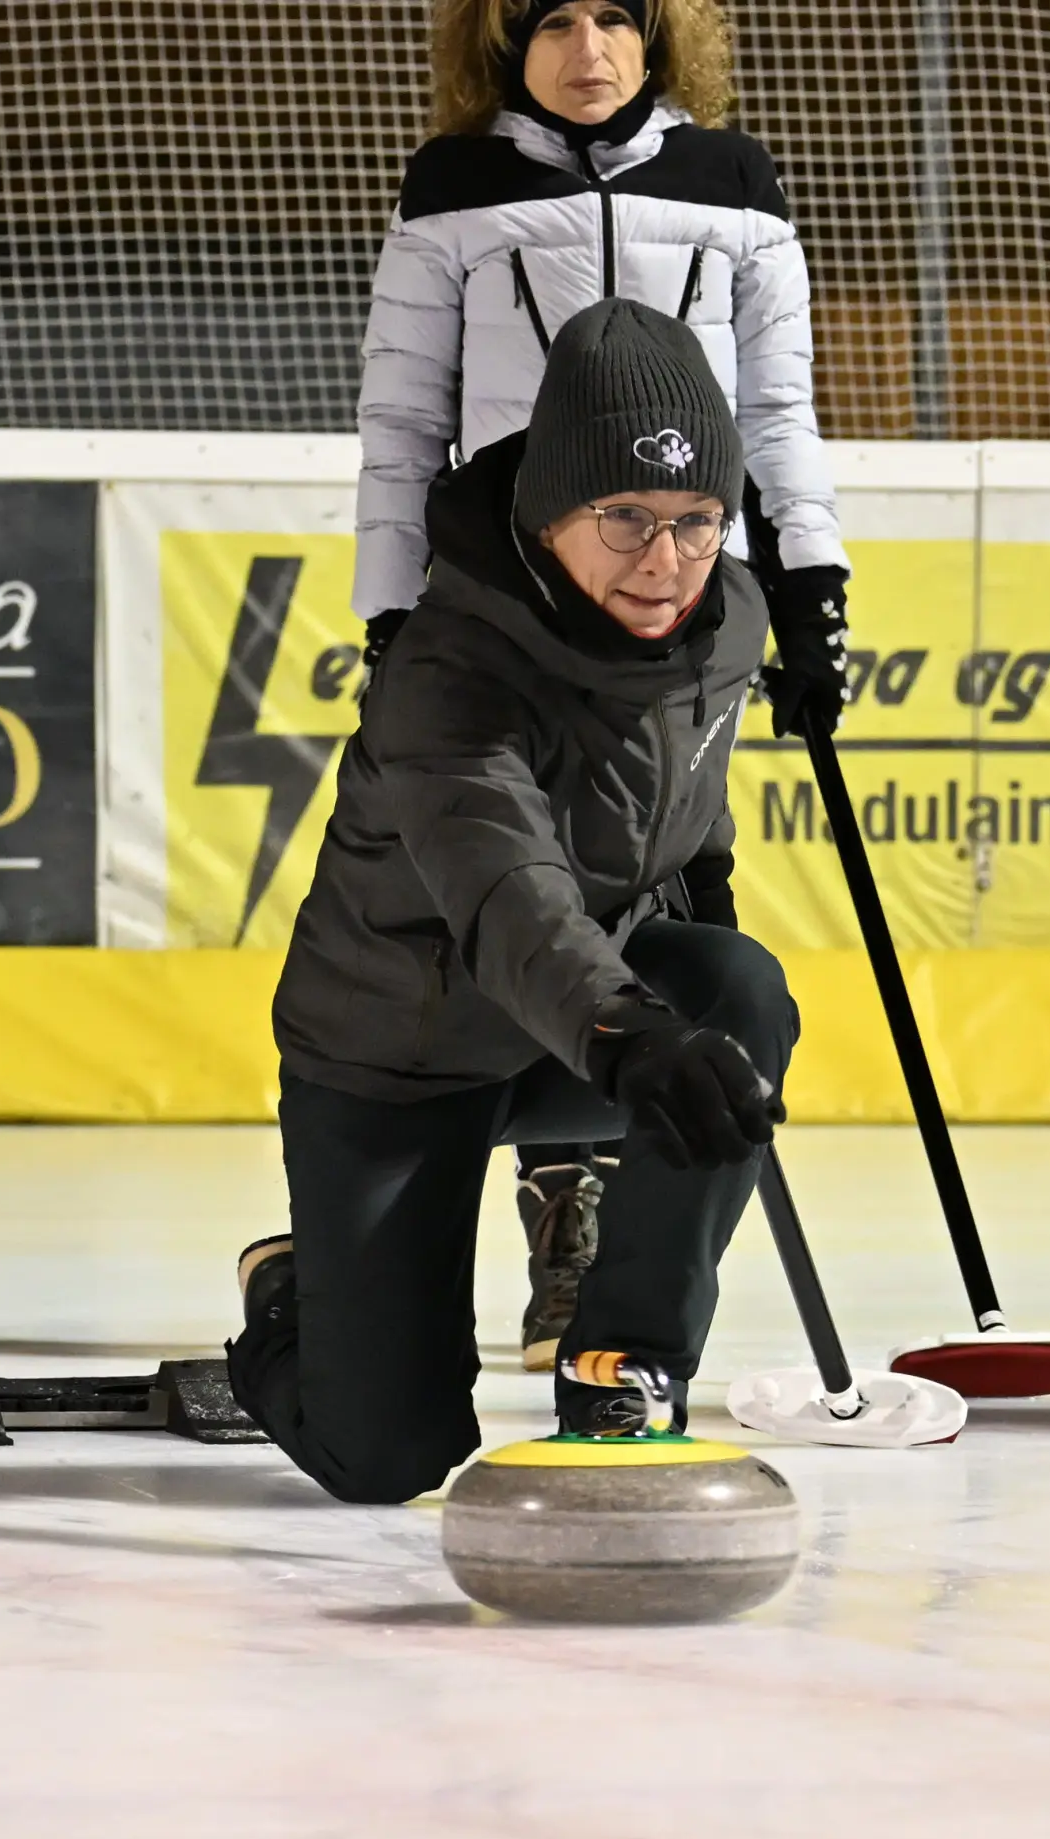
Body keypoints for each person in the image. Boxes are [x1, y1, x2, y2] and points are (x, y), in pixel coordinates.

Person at [355, 0, 853, 1377]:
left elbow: (776, 412)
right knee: (533, 895)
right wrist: (393, 616)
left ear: (660, 36)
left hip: (684, 610)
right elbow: (403, 421)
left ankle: (634, 1254)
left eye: (616, 19)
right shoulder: (458, 187)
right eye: (556, 22)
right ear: (504, 42)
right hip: (506, 612)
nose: (589, 51)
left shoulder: (732, 184)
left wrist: (811, 591)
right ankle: (557, 1203)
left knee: (684, 909)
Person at [232, 300, 798, 1505]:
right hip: (401, 1051)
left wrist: (708, 1037)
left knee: (741, 990)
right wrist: (639, 1038)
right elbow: (509, 896)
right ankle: (292, 1294)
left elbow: (689, 829)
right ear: (549, 513)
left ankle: (623, 1364)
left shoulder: (727, 622)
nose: (666, 560)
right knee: (387, 1457)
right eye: (626, 517)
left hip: (570, 1033)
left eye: (698, 519)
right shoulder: (447, 674)